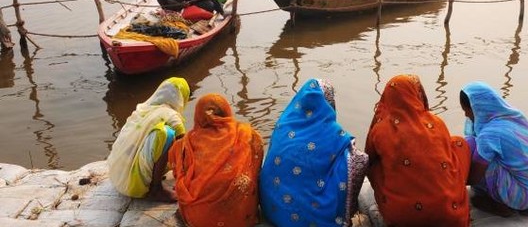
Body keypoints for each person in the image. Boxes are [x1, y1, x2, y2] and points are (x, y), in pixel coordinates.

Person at [260, 78, 368, 227]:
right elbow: (358, 158)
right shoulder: (329, 131)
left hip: (271, 209)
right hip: (312, 219)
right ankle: (345, 218)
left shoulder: (284, 123)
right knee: (358, 160)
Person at [365, 74, 471, 227]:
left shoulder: (381, 130)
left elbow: (368, 160)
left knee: (375, 165)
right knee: (458, 144)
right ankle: (450, 196)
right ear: (418, 94)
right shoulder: (436, 123)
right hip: (451, 215)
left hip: (403, 217)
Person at [168, 93, 264, 227]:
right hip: (240, 217)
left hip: (198, 218)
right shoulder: (248, 134)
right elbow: (256, 166)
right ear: (226, 111)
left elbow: (177, 171)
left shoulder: (184, 144)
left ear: (198, 115)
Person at [460, 81, 528, 216]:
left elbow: (474, 178)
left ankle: (501, 206)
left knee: (470, 147)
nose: (466, 115)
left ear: (477, 108)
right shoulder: (513, 116)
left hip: (524, 195)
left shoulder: (490, 134)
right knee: (472, 144)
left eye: (467, 110)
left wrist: (454, 180)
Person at [107, 77, 190, 202]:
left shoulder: (142, 109)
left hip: (116, 176)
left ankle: (148, 177)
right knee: (167, 135)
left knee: (161, 137)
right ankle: (156, 189)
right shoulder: (172, 116)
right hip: (132, 185)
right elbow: (184, 152)